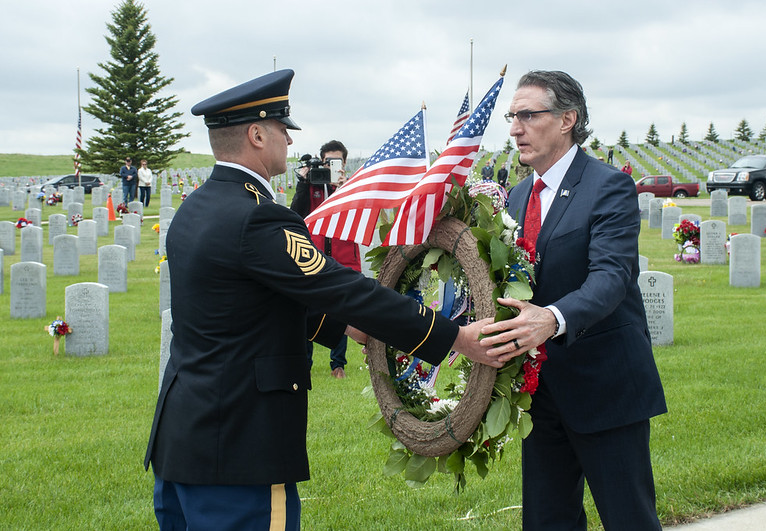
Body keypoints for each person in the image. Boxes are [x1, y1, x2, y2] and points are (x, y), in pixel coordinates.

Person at [143, 69, 515, 531]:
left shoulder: (196, 209)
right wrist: (455, 336)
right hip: (240, 451)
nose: (288, 139)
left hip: (185, 440)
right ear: (256, 135)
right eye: (282, 129)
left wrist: (341, 328)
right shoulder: (257, 219)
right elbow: (344, 288)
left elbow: (252, 302)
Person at [480, 70, 667, 530]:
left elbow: (611, 278)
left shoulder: (608, 187)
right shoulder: (520, 194)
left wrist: (553, 319)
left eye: (527, 115)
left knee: (629, 520)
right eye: (512, 116)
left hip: (605, 387)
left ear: (568, 119)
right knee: (547, 521)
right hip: (540, 396)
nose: (515, 128)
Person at [290, 140, 358, 378]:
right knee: (307, 308)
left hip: (343, 256)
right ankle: (304, 364)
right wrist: (303, 181)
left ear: (344, 162)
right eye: (327, 161)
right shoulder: (312, 186)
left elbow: (357, 220)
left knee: (341, 311)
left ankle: (338, 364)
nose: (331, 166)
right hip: (313, 256)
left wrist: (343, 190)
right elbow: (296, 214)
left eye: (336, 161)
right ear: (321, 161)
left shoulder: (352, 188)